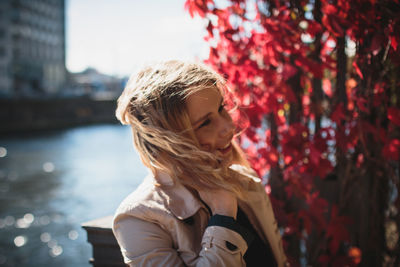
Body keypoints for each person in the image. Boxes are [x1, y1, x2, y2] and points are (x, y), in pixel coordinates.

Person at [112, 60, 288, 267]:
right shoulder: (140, 219)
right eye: (205, 123)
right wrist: (223, 217)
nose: (229, 127)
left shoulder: (245, 180)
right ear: (168, 140)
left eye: (221, 109)